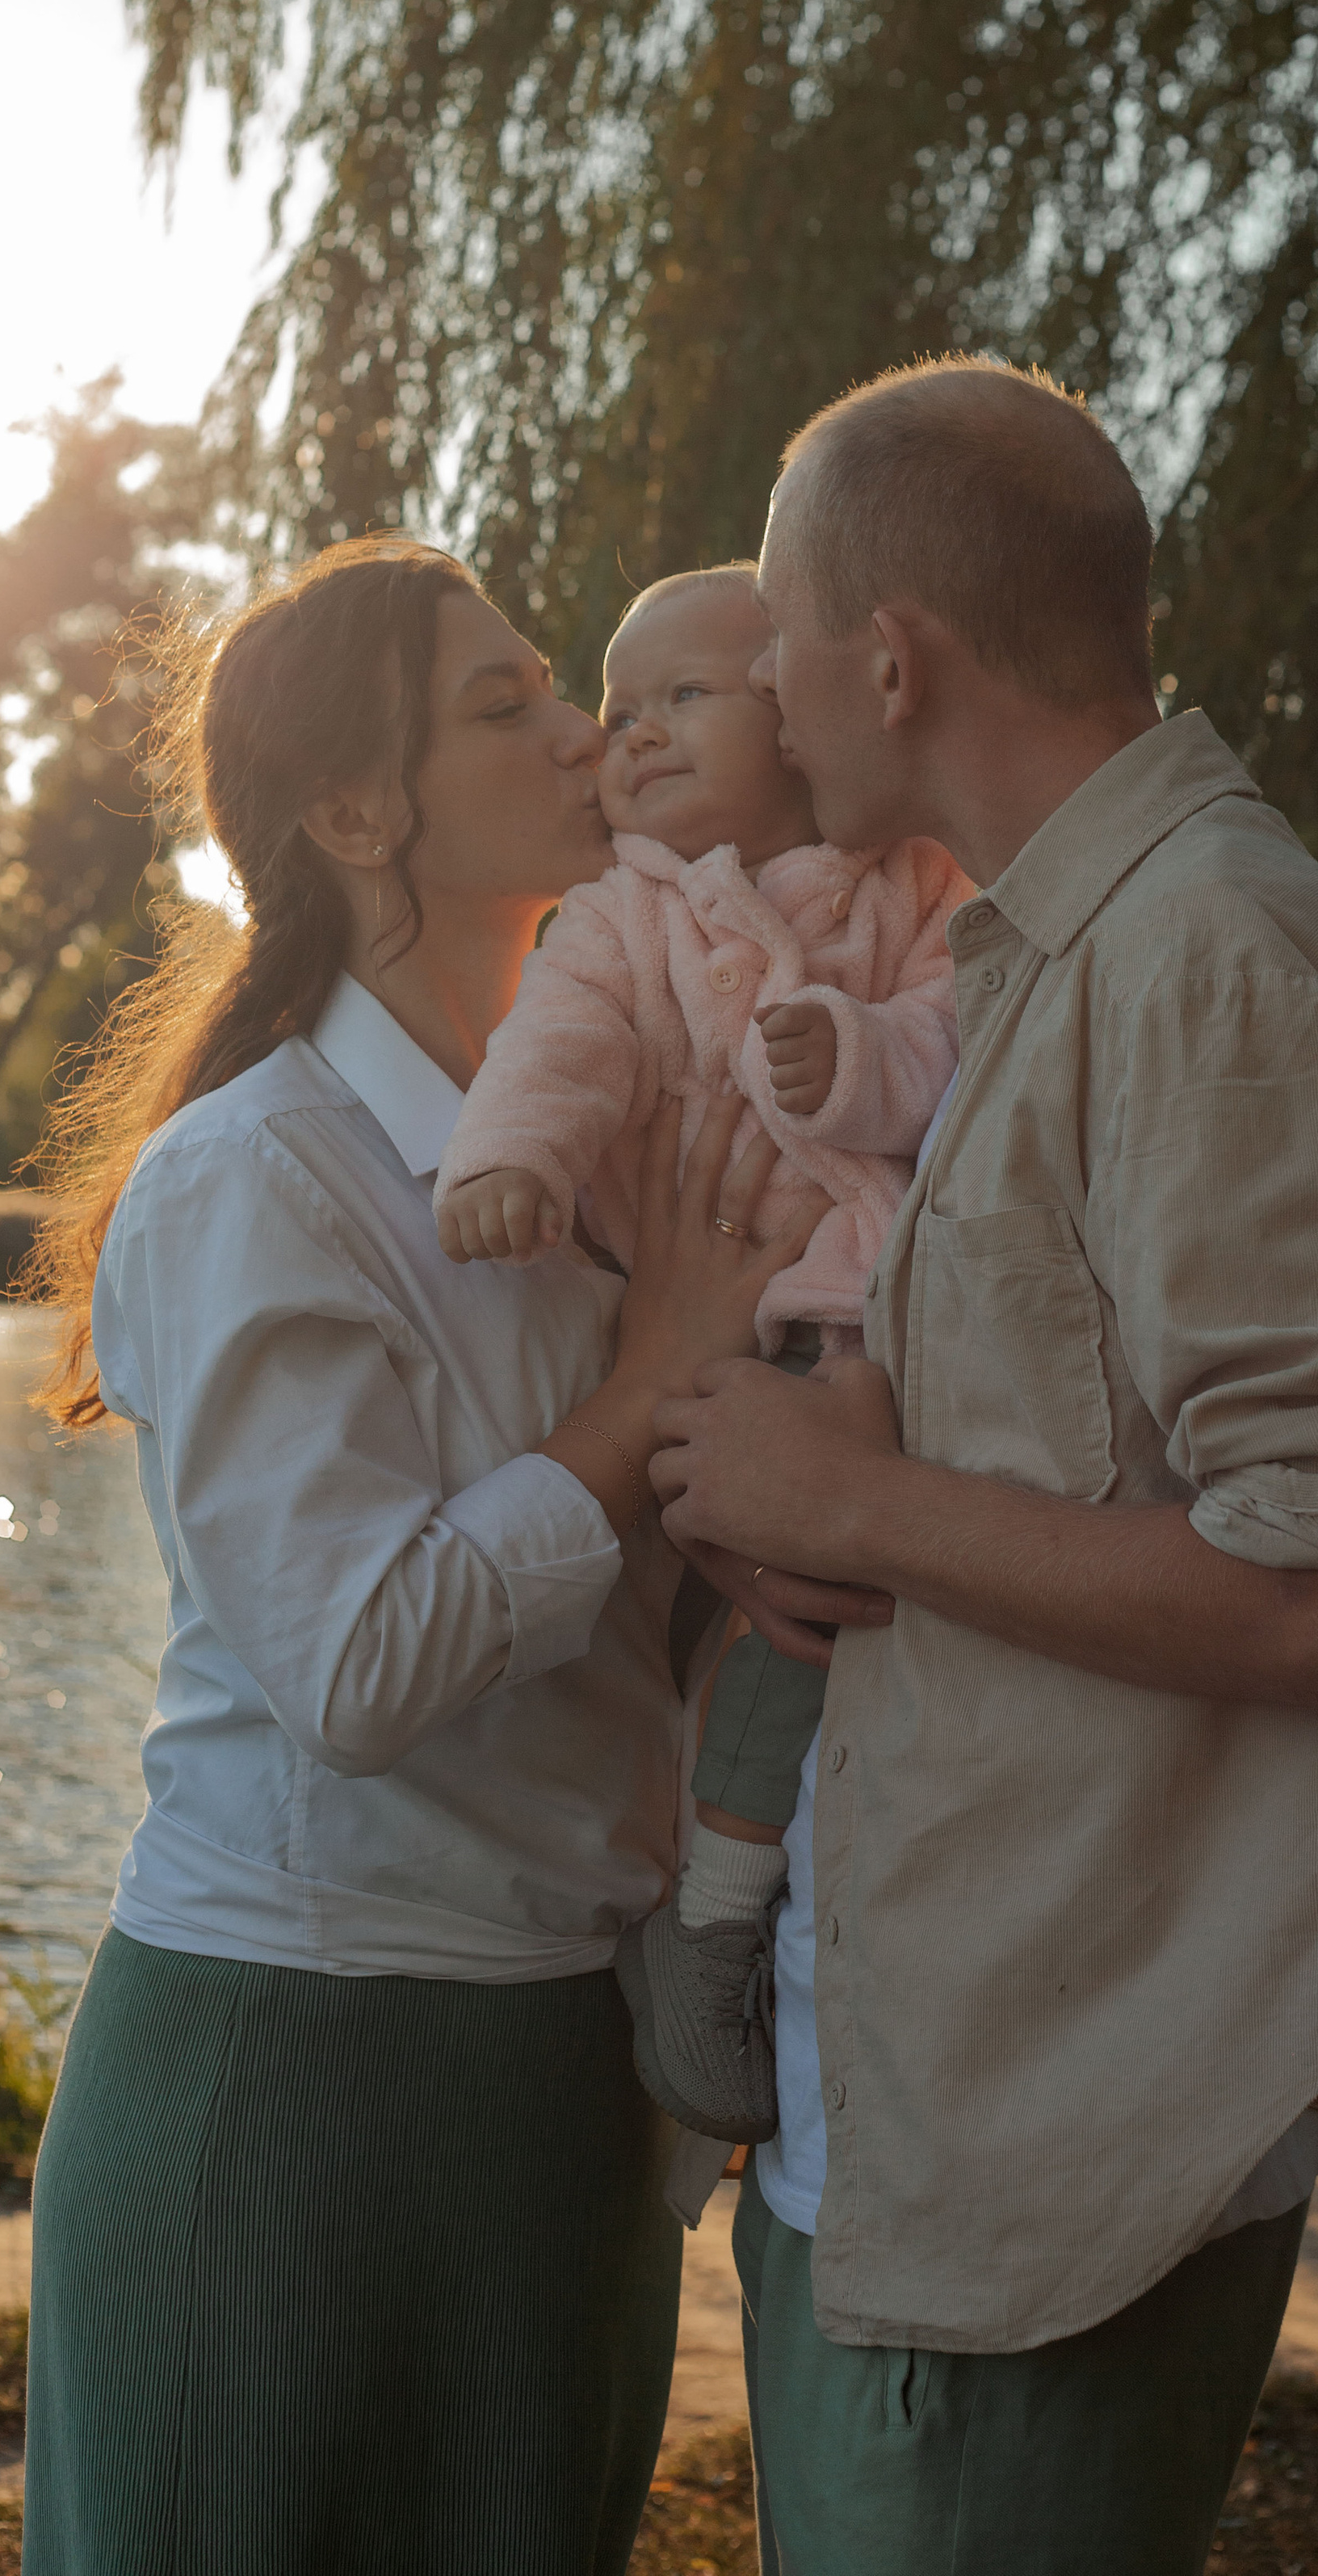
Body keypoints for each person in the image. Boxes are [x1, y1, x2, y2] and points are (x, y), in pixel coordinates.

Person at [650, 360, 1318, 2576]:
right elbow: (1071, 1462)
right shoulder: (1054, 955)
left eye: (781, 639)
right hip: (935, 2096)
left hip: (1056, 2143)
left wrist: (852, 1505)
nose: (765, 691)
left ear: (891, 659)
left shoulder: (1205, 959)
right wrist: (808, 1492)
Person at [18, 536, 847, 2576]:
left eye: (559, 687)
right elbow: (358, 1668)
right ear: (352, 814)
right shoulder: (255, 1175)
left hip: (568, 2072)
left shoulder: (598, 1152)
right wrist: (641, 1387)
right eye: (505, 706)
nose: (582, 732)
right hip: (296, 2063)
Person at [433, 561, 970, 2142]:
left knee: (894, 1609)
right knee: (797, 1622)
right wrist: (509, 1158)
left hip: (889, 1312)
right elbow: (559, 1046)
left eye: (683, 697)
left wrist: (863, 1059)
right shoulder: (622, 914)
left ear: (799, 714)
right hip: (752, 1342)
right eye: (618, 711)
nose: (631, 735)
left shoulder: (914, 880)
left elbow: (958, 1031)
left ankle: (803, 1900)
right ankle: (718, 1920)